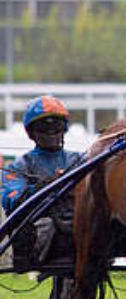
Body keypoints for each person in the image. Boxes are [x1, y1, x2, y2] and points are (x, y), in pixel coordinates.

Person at [2, 95, 84, 270]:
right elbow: (11, 200)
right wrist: (40, 188)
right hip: (43, 234)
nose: (51, 133)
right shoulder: (20, 166)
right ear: (31, 133)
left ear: (64, 130)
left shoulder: (80, 160)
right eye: (43, 128)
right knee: (48, 227)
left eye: (56, 127)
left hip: (80, 226)